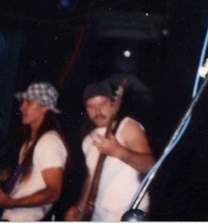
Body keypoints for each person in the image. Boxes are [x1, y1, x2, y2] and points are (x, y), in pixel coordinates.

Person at [0, 81, 69, 221]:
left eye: (28, 102)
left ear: (45, 107)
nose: (22, 107)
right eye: (23, 102)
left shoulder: (50, 141)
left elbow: (53, 192)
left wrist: (12, 203)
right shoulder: (28, 145)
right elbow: (15, 188)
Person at [65, 81, 155, 221]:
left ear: (113, 104)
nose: (97, 111)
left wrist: (119, 151)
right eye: (91, 106)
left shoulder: (127, 126)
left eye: (102, 103)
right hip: (98, 217)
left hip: (128, 214)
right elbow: (91, 178)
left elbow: (150, 165)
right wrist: (80, 208)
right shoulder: (88, 139)